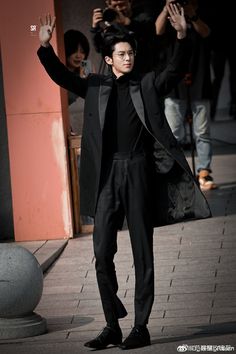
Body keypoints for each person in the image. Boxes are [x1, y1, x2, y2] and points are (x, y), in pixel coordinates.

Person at [37, 7, 211, 350]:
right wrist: (45, 48)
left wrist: (181, 35)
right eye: (122, 54)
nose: (128, 58)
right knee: (101, 253)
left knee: (142, 252)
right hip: (107, 175)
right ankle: (112, 324)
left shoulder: (146, 84)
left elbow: (174, 70)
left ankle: (141, 326)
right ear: (109, 58)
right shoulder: (96, 86)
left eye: (131, 53)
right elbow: (61, 76)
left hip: (138, 172)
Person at [155, 0, 217, 191]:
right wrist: (167, 8)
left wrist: (192, 15)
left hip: (199, 79)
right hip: (174, 83)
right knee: (174, 132)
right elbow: (158, 31)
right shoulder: (169, 12)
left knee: (202, 131)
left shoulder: (202, 13)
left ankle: (204, 172)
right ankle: (176, 173)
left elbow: (206, 33)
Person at [64, 29, 94, 231]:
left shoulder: (87, 71)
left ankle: (93, 222)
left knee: (91, 179)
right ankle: (82, 223)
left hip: (90, 134)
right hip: (71, 136)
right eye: (74, 50)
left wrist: (87, 80)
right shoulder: (61, 76)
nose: (79, 55)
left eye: (82, 51)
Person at [91, 0, 157, 74]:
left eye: (122, 5)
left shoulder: (144, 18)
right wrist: (95, 28)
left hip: (142, 73)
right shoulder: (112, 24)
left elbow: (150, 38)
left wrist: (127, 22)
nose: (118, 9)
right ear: (108, 5)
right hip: (117, 75)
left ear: (130, 2)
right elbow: (99, 48)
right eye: (114, 6)